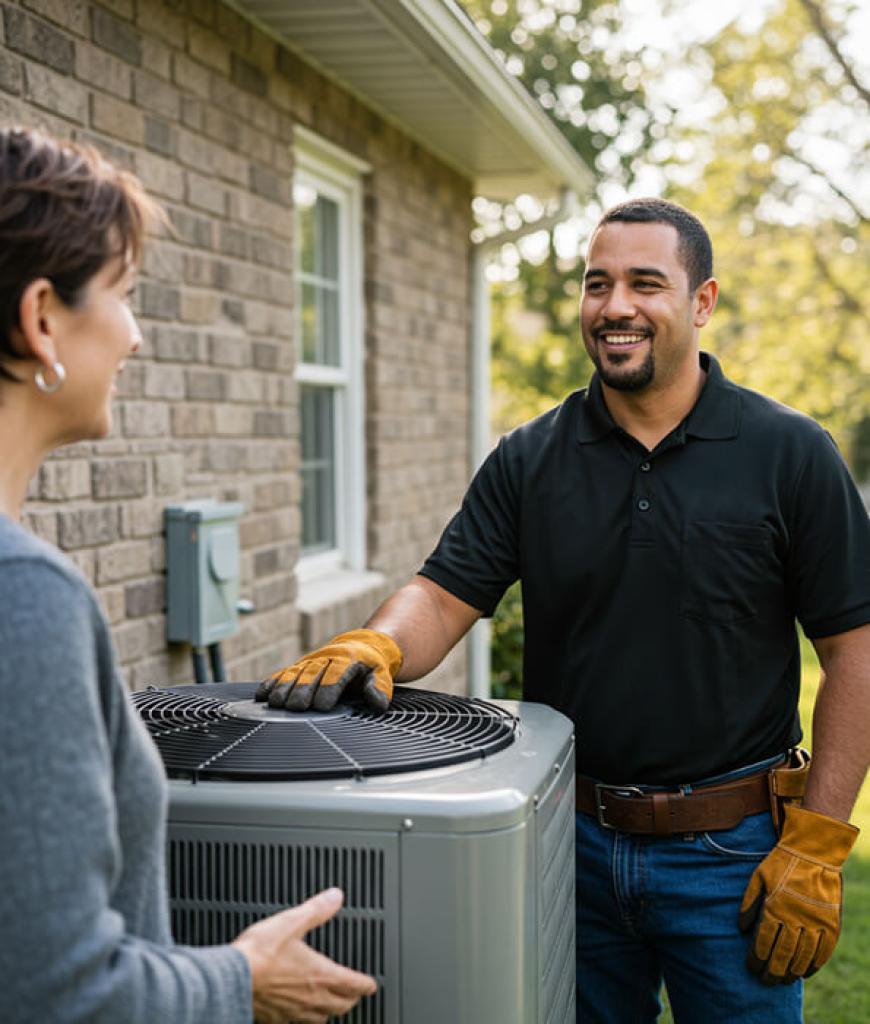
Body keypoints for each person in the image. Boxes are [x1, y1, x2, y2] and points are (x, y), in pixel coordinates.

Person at [260, 198, 870, 1022]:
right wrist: (379, 643)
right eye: (598, 284)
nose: (615, 306)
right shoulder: (530, 457)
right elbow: (444, 593)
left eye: (645, 284)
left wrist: (820, 842)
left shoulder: (788, 452)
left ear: (703, 302)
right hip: (564, 840)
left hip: (731, 853)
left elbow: (854, 651)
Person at [0, 125, 376, 1024]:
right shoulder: (25, 601)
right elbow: (56, 994)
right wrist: (241, 979)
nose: (133, 337)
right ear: (42, 316)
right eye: (124, 297)